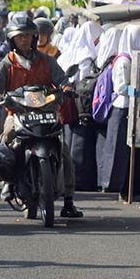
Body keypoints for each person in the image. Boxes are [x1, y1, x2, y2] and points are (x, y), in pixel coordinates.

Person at [0, 16, 83, 218]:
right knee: (7, 140)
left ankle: (69, 201)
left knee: (64, 153)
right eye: (20, 36)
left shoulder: (47, 61)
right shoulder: (7, 64)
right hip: (18, 115)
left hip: (46, 115)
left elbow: (62, 78)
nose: (24, 40)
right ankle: (9, 182)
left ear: (34, 37)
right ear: (12, 39)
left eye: (28, 36)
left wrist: (66, 88)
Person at [99, 24, 140, 202]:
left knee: (137, 152)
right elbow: (121, 88)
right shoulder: (124, 61)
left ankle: (138, 188)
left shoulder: (135, 59)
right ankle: (124, 190)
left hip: (133, 109)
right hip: (123, 109)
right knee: (123, 154)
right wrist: (138, 89)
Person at [58, 20, 103, 192]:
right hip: (79, 104)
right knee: (80, 142)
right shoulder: (85, 57)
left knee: (74, 141)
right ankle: (79, 179)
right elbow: (84, 80)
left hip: (73, 104)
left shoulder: (72, 53)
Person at [93, 27, 122, 191]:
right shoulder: (118, 60)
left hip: (101, 108)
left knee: (103, 145)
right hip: (113, 106)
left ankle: (101, 180)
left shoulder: (101, 57)